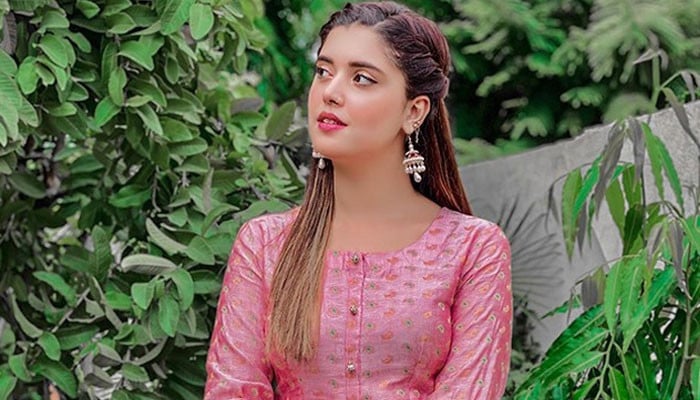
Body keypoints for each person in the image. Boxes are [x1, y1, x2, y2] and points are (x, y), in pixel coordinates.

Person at [204, 2, 512, 399]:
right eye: (323, 71)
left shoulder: (471, 249)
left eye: (362, 78)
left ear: (414, 111)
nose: (330, 93)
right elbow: (232, 390)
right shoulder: (265, 244)